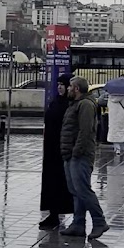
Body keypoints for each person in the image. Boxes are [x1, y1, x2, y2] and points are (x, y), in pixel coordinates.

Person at [60, 77, 109, 239]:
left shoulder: (86, 105)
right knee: (76, 191)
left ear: (77, 89)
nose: (67, 89)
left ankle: (99, 221)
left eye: (70, 87)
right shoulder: (75, 104)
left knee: (83, 190)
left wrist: (76, 151)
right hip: (70, 153)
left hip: (80, 155)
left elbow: (85, 131)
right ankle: (78, 224)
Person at [39, 75, 74, 229]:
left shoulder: (70, 105)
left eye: (63, 84)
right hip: (50, 148)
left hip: (63, 148)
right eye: (58, 84)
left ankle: (70, 215)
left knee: (62, 182)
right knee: (50, 181)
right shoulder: (55, 101)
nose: (60, 87)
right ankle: (52, 214)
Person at [107, 90, 124, 156]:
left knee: (115, 132)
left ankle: (117, 149)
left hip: (113, 117)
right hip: (121, 116)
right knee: (123, 131)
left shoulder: (110, 97)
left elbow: (108, 106)